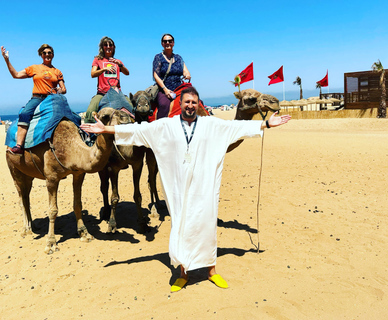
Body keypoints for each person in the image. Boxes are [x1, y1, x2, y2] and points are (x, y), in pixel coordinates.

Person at [80, 87, 291, 292]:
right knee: (181, 225)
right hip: (179, 187)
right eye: (187, 102)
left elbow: (235, 128)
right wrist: (106, 129)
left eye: (193, 102)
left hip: (204, 186)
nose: (190, 106)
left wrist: (266, 125)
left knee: (207, 224)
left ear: (198, 104)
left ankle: (211, 270)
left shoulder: (210, 124)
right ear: (180, 105)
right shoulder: (167, 125)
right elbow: (140, 130)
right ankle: (184, 273)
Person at [1, 44, 66, 154]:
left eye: (49, 53)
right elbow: (16, 75)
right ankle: (19, 145)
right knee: (25, 113)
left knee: (70, 115)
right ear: (41, 55)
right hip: (37, 98)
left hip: (52, 98)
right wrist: (7, 60)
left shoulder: (57, 71)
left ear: (53, 55)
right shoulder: (34, 68)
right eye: (44, 53)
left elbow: (64, 89)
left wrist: (59, 90)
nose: (47, 55)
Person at [84, 37, 130, 123]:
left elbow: (127, 73)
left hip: (117, 92)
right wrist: (103, 69)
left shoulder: (117, 61)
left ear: (113, 47)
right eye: (106, 45)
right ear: (102, 47)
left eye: (110, 45)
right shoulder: (98, 60)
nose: (108, 47)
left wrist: (120, 65)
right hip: (102, 93)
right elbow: (92, 74)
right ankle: (89, 134)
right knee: (90, 111)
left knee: (130, 106)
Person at [152, 34, 191, 119]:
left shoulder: (178, 58)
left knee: (195, 102)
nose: (167, 43)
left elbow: (186, 71)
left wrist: (187, 75)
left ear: (173, 43)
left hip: (179, 88)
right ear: (162, 44)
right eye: (165, 41)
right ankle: (159, 127)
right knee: (164, 105)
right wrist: (165, 90)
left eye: (170, 41)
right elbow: (156, 75)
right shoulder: (158, 57)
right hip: (164, 88)